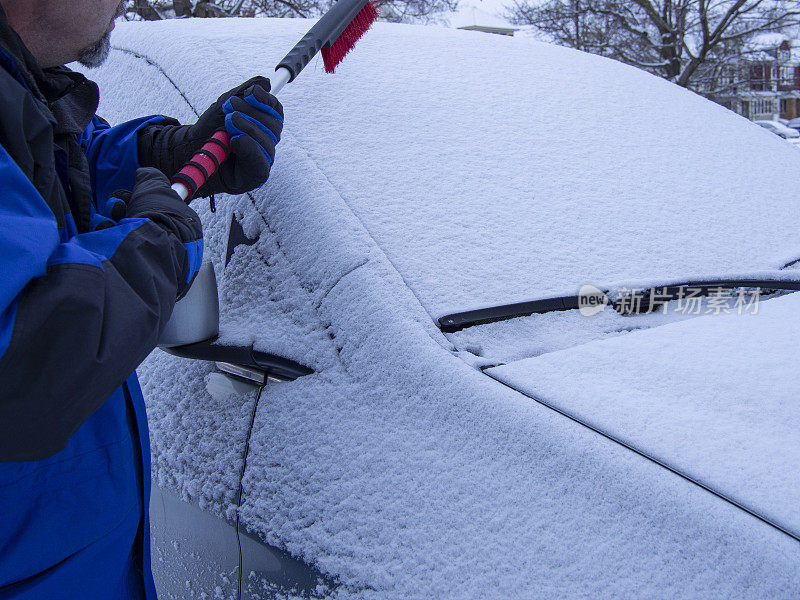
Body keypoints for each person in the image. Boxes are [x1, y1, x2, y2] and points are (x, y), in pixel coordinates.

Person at [0, 0, 284, 597]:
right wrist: (157, 250)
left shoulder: (21, 83)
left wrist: (167, 149)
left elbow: (60, 158)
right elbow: (22, 363)